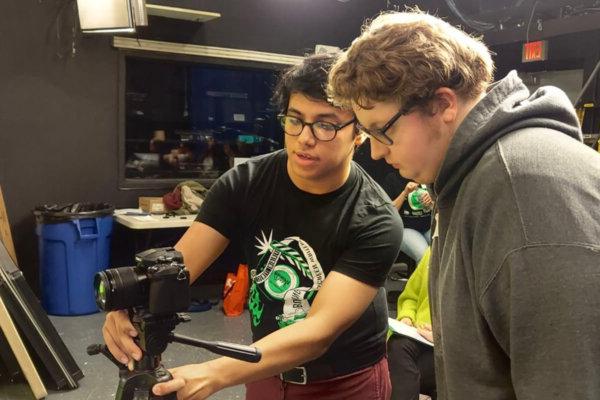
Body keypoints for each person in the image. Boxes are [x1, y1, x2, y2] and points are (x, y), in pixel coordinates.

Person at [329, 10, 600, 400]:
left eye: (381, 131)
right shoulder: (469, 178)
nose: (374, 151)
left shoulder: (522, 190)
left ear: (442, 105)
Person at [102, 53, 403, 400]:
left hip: (346, 382)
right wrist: (131, 302)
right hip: (265, 371)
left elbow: (318, 331)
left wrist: (214, 373)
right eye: (295, 120)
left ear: (359, 134)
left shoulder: (375, 217)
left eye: (326, 124)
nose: (305, 137)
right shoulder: (246, 183)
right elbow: (177, 268)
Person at [354, 141, 433, 263]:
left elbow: (440, 204)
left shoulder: (426, 175)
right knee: (424, 256)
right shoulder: (392, 179)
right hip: (406, 228)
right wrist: (405, 193)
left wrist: (432, 199)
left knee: (442, 251)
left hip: (427, 225)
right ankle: (423, 282)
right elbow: (389, 211)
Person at [387, 247, 435, 400]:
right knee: (397, 344)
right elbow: (410, 297)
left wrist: (442, 335)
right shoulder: (432, 251)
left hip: (451, 345)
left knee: (399, 368)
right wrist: (406, 317)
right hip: (418, 335)